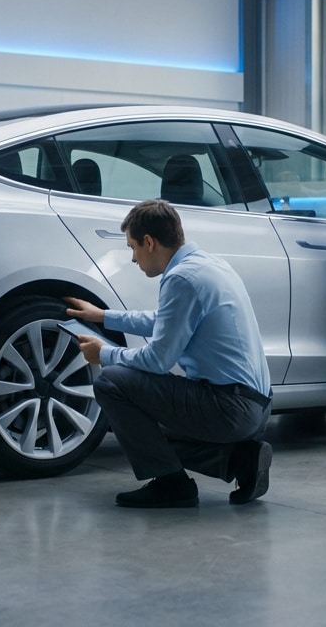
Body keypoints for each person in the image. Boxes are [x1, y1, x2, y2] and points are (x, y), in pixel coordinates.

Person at [64, 199, 272, 508]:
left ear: (149, 242)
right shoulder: (208, 265)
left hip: (230, 408)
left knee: (113, 384)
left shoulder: (181, 279)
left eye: (133, 247)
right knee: (143, 425)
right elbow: (165, 320)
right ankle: (240, 460)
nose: (134, 258)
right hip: (256, 405)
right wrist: (103, 317)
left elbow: (157, 361)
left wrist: (104, 353)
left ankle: (171, 484)